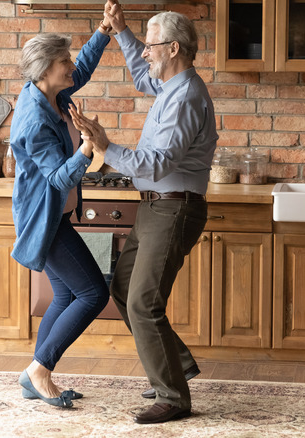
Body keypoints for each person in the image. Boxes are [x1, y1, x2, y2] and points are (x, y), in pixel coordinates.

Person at [70, 3, 218, 424]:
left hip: (174, 209)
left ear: (173, 49)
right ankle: (177, 364)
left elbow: (156, 165)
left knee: (142, 301)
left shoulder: (185, 97)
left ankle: (173, 396)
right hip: (156, 208)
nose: (147, 53)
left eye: (152, 46)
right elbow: (141, 72)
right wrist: (121, 32)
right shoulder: (169, 85)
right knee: (121, 287)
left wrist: (105, 146)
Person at [10, 21, 114, 408]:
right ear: (45, 69)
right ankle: (39, 369)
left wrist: (104, 31)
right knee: (93, 293)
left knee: (68, 293)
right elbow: (55, 178)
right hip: (44, 218)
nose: (71, 66)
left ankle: (35, 375)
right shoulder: (34, 120)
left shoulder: (52, 93)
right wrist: (87, 148)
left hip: (56, 214)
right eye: (63, 61)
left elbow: (82, 69)